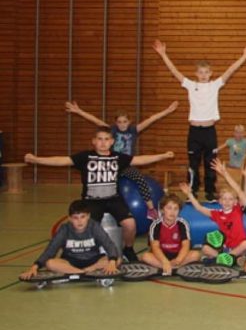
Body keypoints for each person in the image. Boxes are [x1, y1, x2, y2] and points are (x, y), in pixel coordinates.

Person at [24, 127, 174, 263]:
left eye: (106, 139)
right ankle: (82, 254)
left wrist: (162, 156)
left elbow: (140, 159)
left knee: (130, 224)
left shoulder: (117, 157)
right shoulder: (85, 157)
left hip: (114, 199)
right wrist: (36, 159)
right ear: (94, 141)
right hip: (92, 201)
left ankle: (128, 249)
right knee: (86, 226)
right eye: (100, 139)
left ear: (112, 142)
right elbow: (61, 160)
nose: (103, 143)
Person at [153, 40, 246, 200]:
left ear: (211, 73)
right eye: (200, 72)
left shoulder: (214, 85)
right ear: (196, 74)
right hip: (194, 132)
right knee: (193, 163)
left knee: (210, 163)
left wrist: (244, 56)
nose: (203, 75)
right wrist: (163, 54)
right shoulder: (190, 85)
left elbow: (230, 71)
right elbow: (175, 71)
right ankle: (192, 191)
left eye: (206, 72)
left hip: (209, 132)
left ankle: (210, 191)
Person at [64, 100, 178, 220]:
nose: (122, 124)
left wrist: (167, 110)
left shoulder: (133, 130)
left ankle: (150, 209)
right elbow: (95, 120)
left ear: (130, 122)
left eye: (125, 122)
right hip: (112, 166)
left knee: (140, 179)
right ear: (115, 122)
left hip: (126, 165)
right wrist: (79, 111)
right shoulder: (112, 131)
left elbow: (151, 119)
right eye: (119, 122)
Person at [20, 200, 120, 280]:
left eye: (83, 217)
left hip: (92, 260)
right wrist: (34, 267)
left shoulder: (94, 226)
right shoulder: (64, 229)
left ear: (88, 216)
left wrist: (112, 262)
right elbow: (50, 250)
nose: (80, 221)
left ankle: (80, 272)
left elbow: (108, 244)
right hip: (70, 261)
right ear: (70, 219)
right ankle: (83, 273)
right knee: (49, 263)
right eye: (75, 218)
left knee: (117, 259)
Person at [179, 167, 246, 266]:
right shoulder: (217, 214)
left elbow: (244, 194)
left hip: (238, 247)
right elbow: (199, 208)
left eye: (230, 199)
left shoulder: (237, 210)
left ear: (235, 202)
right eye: (224, 199)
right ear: (219, 201)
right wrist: (190, 194)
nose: (227, 202)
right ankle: (228, 258)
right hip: (225, 248)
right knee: (205, 248)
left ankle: (227, 258)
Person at [141, 194, 201, 275]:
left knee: (195, 255)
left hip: (178, 254)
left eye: (176, 209)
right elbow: (155, 247)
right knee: (145, 256)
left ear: (179, 211)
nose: (172, 212)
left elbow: (186, 245)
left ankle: (167, 269)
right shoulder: (155, 225)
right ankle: (174, 269)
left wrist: (178, 260)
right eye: (169, 208)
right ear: (162, 210)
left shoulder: (182, 223)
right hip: (161, 256)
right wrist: (164, 261)